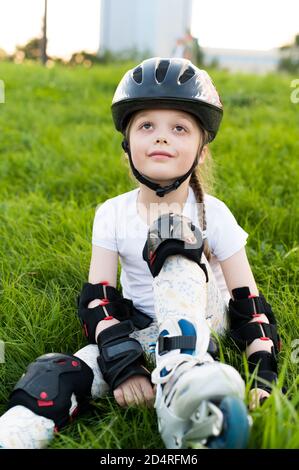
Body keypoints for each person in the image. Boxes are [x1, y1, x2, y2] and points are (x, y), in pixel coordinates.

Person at [0, 57, 281, 449]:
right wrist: (123, 364)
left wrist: (264, 378)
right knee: (55, 377)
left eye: (179, 128)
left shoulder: (212, 213)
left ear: (200, 152)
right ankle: (15, 435)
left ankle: (182, 371)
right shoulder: (111, 212)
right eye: (147, 125)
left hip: (200, 324)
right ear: (127, 143)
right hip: (140, 330)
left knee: (172, 231)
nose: (161, 137)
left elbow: (250, 305)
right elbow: (97, 299)